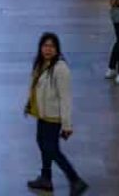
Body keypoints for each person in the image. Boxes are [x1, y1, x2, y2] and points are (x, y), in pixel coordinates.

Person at [24, 31, 86, 194]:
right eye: (45, 46)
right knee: (42, 144)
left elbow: (66, 98)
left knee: (52, 149)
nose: (48, 49)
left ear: (57, 49)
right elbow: (35, 87)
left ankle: (75, 179)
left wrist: (67, 124)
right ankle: (46, 178)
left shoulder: (61, 69)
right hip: (42, 114)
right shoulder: (40, 64)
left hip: (53, 117)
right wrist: (29, 105)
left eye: (52, 46)